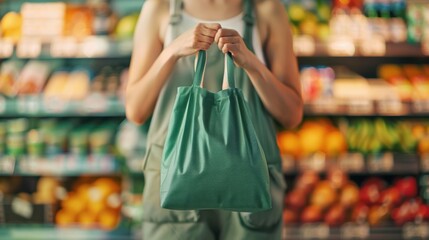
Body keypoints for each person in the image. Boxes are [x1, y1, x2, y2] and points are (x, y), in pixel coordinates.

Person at [125, 0, 303, 239]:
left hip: (247, 179)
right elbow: (136, 109)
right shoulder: (160, 7)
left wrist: (250, 62)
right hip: (175, 177)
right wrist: (172, 51)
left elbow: (291, 114)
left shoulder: (267, 9)